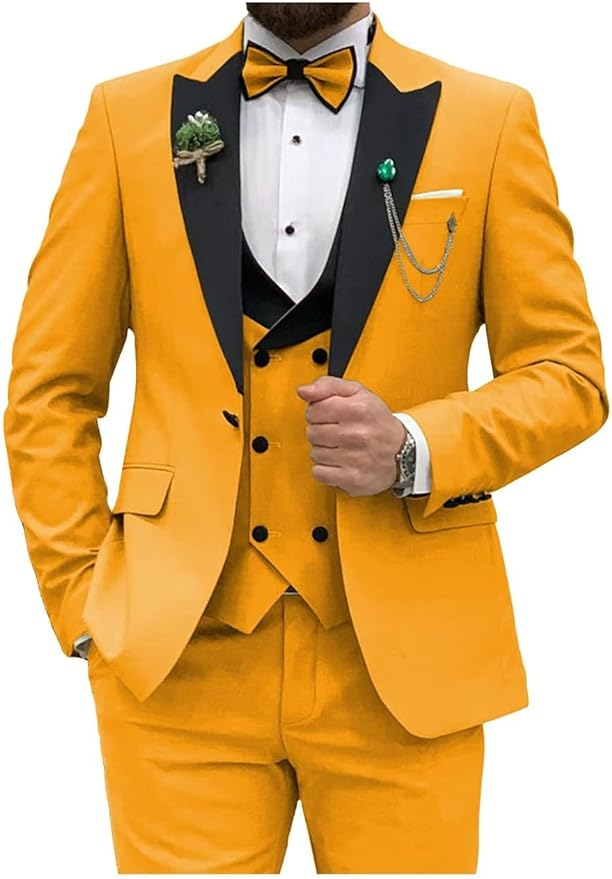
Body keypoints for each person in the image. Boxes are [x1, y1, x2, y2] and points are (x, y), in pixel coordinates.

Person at [4, 2, 608, 873]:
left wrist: (413, 445)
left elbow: (569, 373)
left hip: (407, 666)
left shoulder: (490, 119)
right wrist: (83, 602)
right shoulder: (122, 117)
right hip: (177, 661)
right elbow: (49, 389)